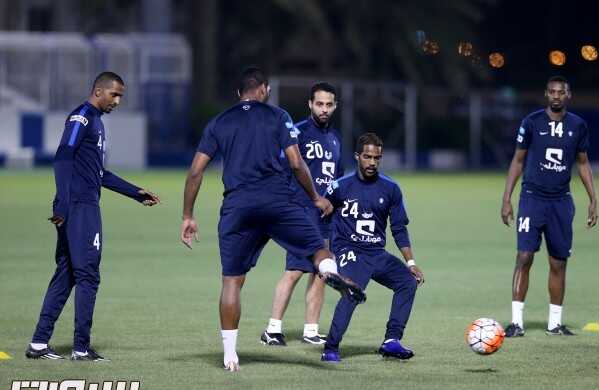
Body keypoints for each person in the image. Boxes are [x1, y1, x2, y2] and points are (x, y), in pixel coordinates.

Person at [180, 67, 365, 372]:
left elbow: (196, 171)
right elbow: (295, 162)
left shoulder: (220, 122)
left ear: (238, 94)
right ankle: (330, 272)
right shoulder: (279, 116)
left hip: (238, 206)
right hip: (279, 202)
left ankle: (230, 355)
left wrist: (188, 215)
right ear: (265, 89)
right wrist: (316, 197)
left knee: (232, 281)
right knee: (319, 249)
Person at [26, 72, 161, 361]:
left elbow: (99, 173)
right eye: (114, 95)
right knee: (89, 275)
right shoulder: (82, 118)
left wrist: (135, 193)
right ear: (98, 91)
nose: (118, 101)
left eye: (121, 96)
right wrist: (62, 203)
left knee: (68, 273)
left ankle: (39, 343)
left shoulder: (97, 122)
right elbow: (63, 156)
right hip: (79, 206)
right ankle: (80, 347)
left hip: (78, 204)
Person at [501, 75, 598, 337]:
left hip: (561, 202)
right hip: (532, 198)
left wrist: (593, 199)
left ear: (568, 95)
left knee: (558, 262)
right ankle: (516, 323)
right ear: (546, 94)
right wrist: (507, 198)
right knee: (524, 257)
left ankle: (555, 324)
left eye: (561, 92)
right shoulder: (531, 123)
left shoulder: (578, 126)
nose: (556, 96)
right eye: (552, 92)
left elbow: (583, 163)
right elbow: (518, 161)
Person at [321, 133, 424, 362]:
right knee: (352, 291)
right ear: (357, 156)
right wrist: (326, 255)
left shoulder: (391, 189)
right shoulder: (339, 186)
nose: (372, 162)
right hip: (349, 250)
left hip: (376, 253)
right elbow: (322, 221)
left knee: (407, 282)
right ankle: (331, 348)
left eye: (377, 158)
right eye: (367, 157)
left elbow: (399, 228)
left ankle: (391, 341)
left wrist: (411, 263)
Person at [261, 82, 344, 346]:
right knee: (295, 270)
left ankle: (310, 330)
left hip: (325, 217)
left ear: (335, 106)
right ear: (310, 104)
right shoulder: (297, 133)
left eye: (329, 104)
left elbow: (337, 179)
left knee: (321, 272)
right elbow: (282, 170)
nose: (324, 109)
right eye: (319, 104)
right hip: (301, 213)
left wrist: (333, 203)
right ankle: (272, 329)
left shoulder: (335, 138)